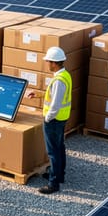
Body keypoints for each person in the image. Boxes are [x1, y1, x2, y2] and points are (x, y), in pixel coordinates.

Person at [29, 46, 71, 195]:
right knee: (59, 148)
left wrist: (47, 118)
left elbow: (55, 103)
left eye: (48, 61)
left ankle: (54, 183)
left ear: (54, 63)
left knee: (53, 151)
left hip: (54, 120)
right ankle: (59, 175)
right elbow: (53, 95)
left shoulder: (59, 80)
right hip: (61, 118)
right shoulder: (64, 75)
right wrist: (39, 95)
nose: (47, 64)